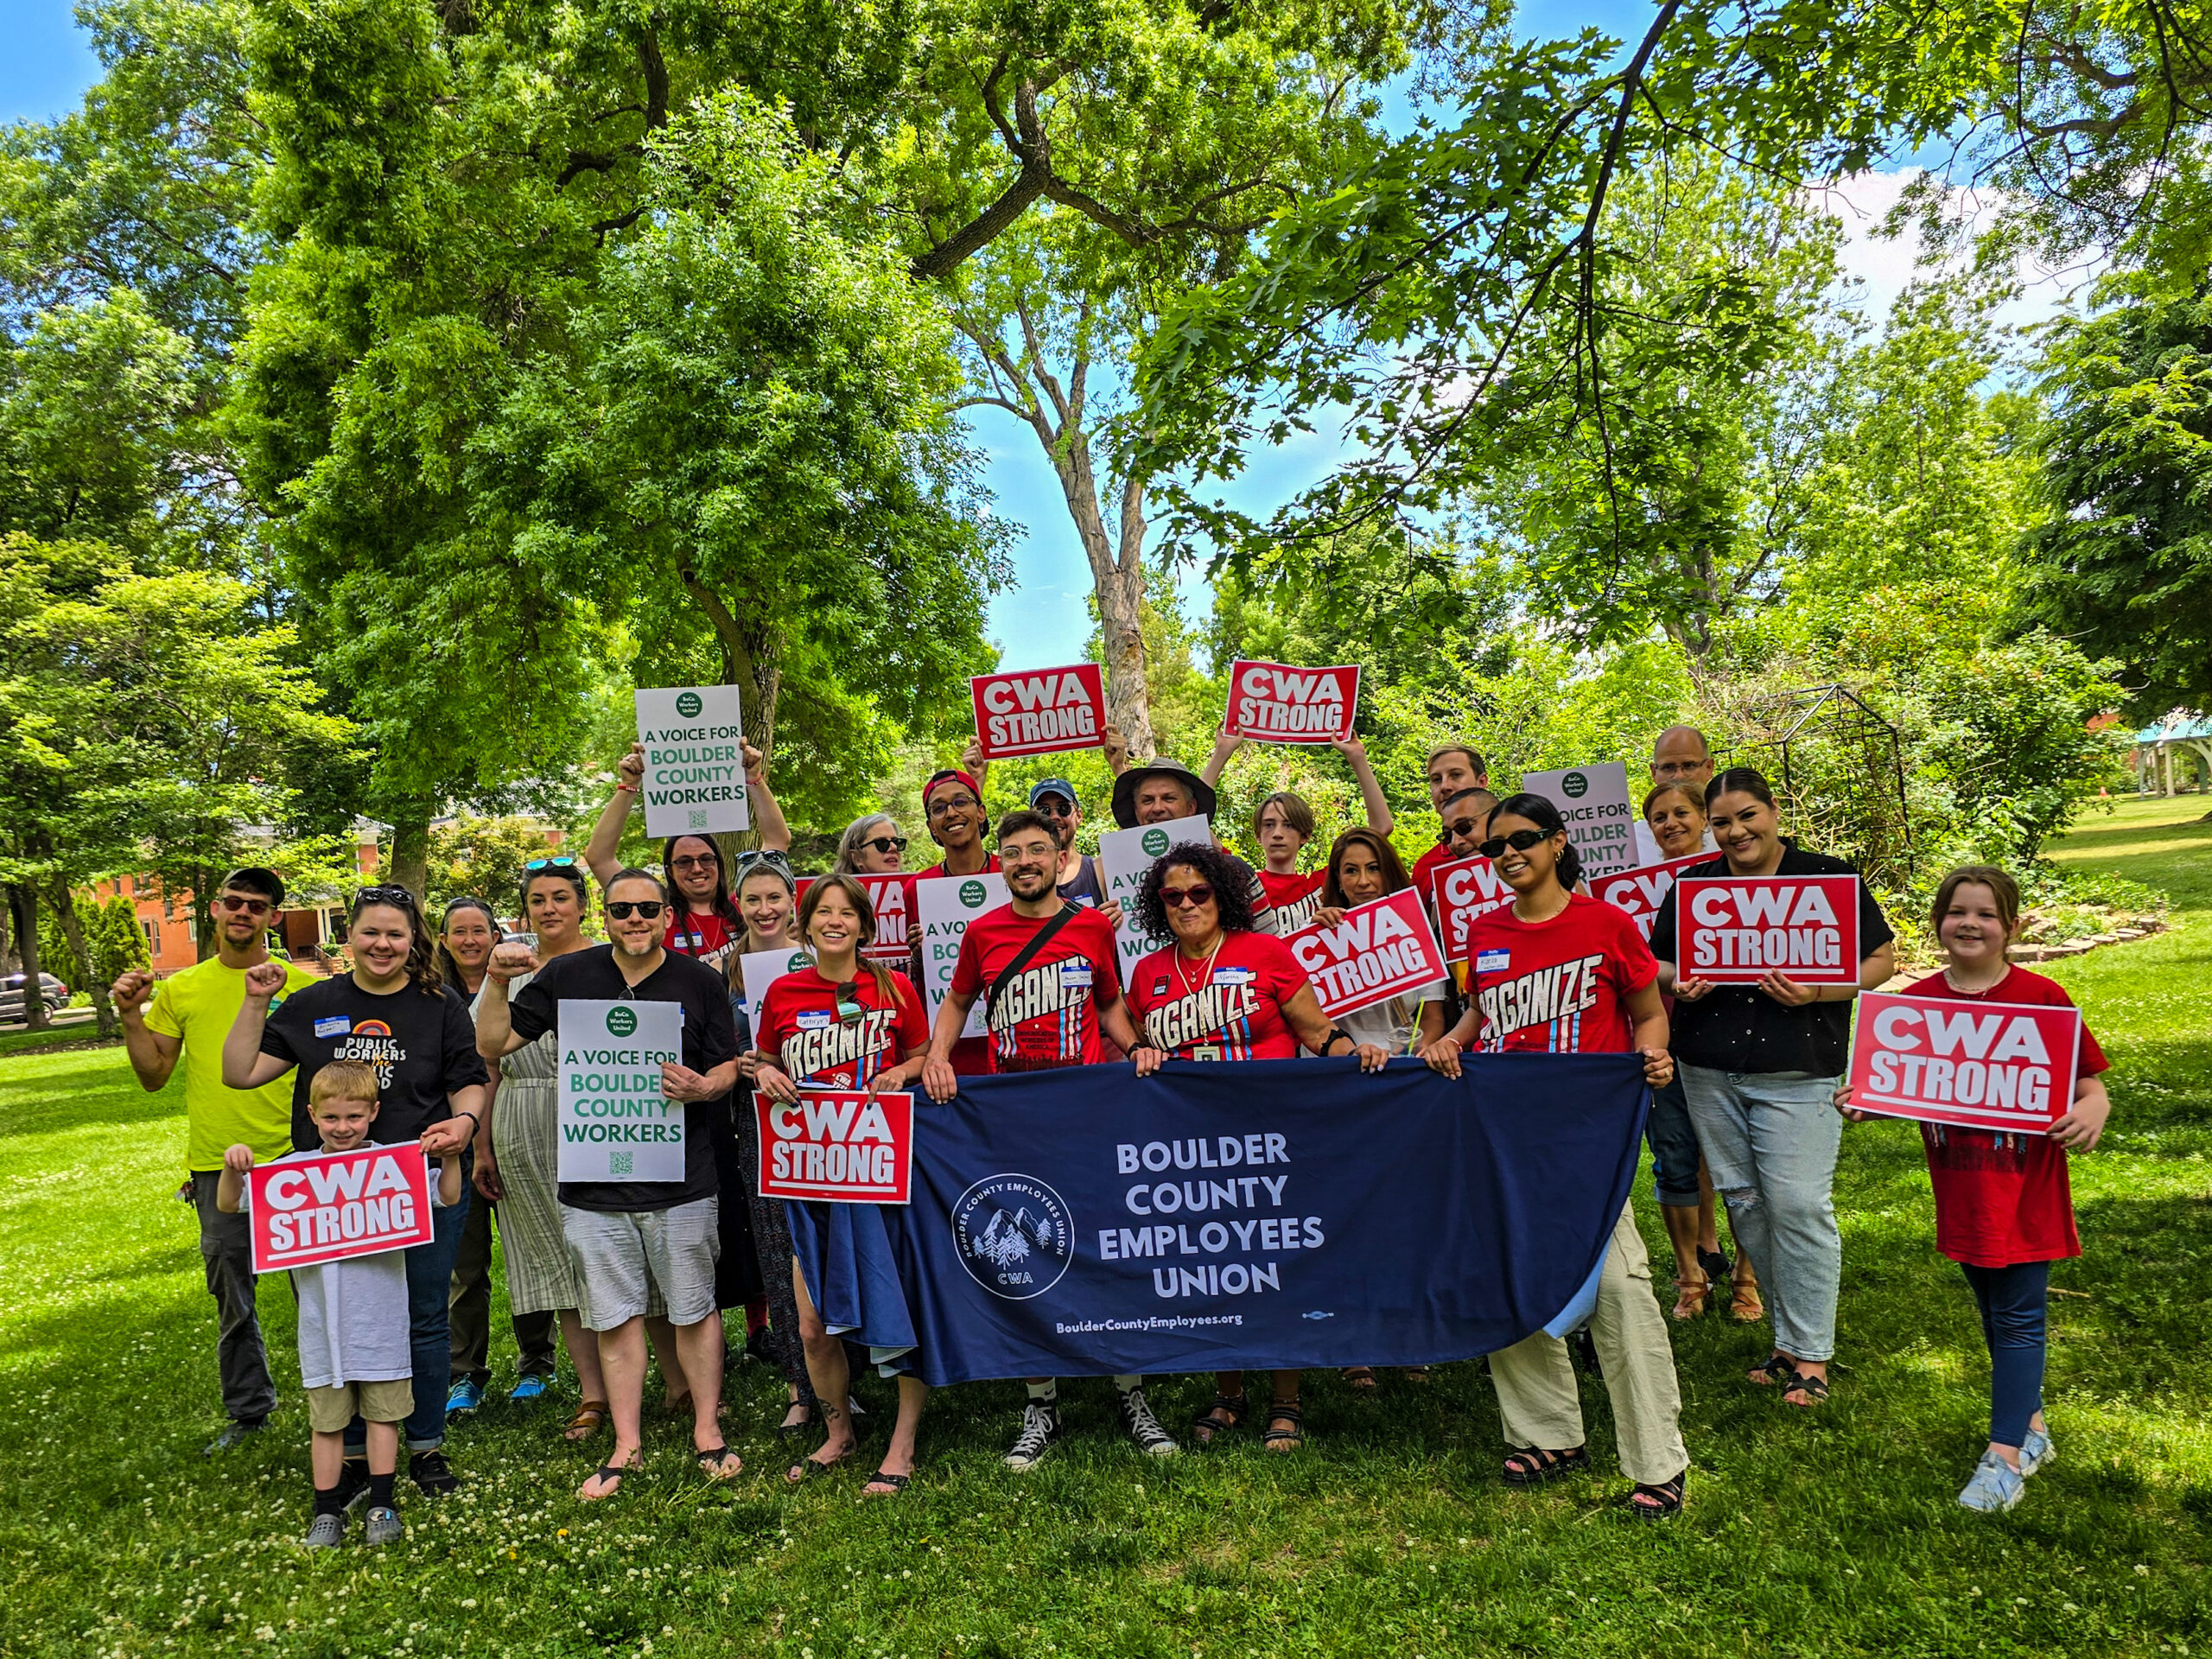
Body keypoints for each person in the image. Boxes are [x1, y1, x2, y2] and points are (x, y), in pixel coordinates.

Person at [1419, 793, 1692, 1518]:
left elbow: (1646, 1012)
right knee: (1510, 1274)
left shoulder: (1606, 924)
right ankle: (1548, 1435)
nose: (1509, 854)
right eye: (1495, 846)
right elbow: (1485, 1011)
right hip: (1504, 1136)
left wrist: (1654, 1055)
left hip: (1588, 1139)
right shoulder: (1486, 930)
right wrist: (1454, 1038)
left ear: (1559, 841)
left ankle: (1657, 1461)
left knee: (1621, 1287)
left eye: (1523, 839)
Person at [1834, 866, 2113, 1512]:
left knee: (2017, 1320)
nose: (1970, 923)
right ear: (1938, 922)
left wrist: (2093, 1108)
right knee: (1994, 1312)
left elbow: (2090, 1084)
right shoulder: (1917, 1003)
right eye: (1957, 911)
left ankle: (2005, 1458)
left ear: (2010, 927)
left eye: (1986, 914)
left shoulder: (2043, 997)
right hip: (1961, 1188)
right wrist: (1864, 1102)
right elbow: (1894, 1085)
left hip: (2027, 1191)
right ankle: (2032, 1428)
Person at [475, 869, 747, 1499]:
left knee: (693, 1307)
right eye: (622, 909)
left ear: (666, 917)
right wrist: (494, 980)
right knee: (614, 1314)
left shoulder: (697, 981)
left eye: (647, 909)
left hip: (682, 1177)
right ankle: (627, 1443)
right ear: (606, 914)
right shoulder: (566, 977)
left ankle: (708, 1428)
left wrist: (707, 1086)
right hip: (594, 1181)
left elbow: (731, 1060)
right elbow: (493, 1040)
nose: (635, 919)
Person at [922, 810, 1176, 1468]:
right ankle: (1042, 1403)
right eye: (1013, 852)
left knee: (1108, 1243)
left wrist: (1138, 1047)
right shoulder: (982, 933)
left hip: (1088, 1108)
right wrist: (937, 1056)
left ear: (1061, 855)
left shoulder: (1090, 926)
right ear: (1000, 863)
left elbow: (1110, 1001)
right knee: (1028, 1252)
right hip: (1014, 1117)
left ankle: (1132, 1389)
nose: (1025, 860)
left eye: (1038, 849)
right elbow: (955, 1001)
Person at [220, 886, 486, 1498]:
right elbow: (240, 1073)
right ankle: (360, 1452)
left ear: (414, 940)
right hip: (333, 1200)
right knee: (342, 1319)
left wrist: (464, 1125)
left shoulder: (439, 1004)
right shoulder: (314, 1004)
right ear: (350, 937)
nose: (383, 945)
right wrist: (256, 1002)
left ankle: (424, 1446)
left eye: (396, 934)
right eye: (371, 932)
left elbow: (469, 1082)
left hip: (412, 1187)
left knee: (422, 1317)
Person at [1122, 842, 1387, 1452]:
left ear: (1222, 895)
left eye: (1199, 893)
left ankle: (1287, 1399)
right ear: (1159, 906)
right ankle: (1229, 1390)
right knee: (1216, 1269)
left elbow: (1316, 1032)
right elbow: (1135, 1044)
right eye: (1173, 896)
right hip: (1192, 1149)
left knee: (1274, 1265)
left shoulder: (1266, 952)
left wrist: (1359, 1056)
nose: (1187, 904)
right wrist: (1142, 1051)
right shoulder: (1149, 972)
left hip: (1269, 1137)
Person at [1648, 766, 1897, 1410]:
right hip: (1709, 1069)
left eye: (1747, 816)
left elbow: (1881, 962)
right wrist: (1680, 980)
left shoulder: (1828, 877)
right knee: (1745, 1201)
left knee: (1799, 1205)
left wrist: (1820, 989)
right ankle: (1789, 1341)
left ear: (1773, 811)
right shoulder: (1693, 886)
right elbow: (1657, 961)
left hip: (1799, 1069)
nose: (1736, 832)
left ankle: (1811, 1354)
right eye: (1723, 822)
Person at [112, 867, 318, 1455]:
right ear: (214, 910)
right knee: (233, 1298)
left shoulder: (299, 988)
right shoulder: (183, 989)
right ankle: (249, 1411)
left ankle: (334, 1404)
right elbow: (154, 1076)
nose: (243, 913)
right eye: (233, 902)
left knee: (320, 1295)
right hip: (217, 1168)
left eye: (257, 906)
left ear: (274, 917)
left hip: (295, 1162)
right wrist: (131, 1014)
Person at [219, 1059, 464, 1548]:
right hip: (321, 1331)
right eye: (331, 1119)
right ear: (312, 1115)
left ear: (374, 1113)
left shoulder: (394, 1165)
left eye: (354, 1117)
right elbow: (232, 1203)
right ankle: (326, 1511)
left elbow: (447, 1195)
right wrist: (232, 1166)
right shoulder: (292, 1172)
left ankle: (381, 1503)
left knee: (382, 1418)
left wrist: (453, 1156)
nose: (343, 1128)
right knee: (327, 1424)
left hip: (382, 1326)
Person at [753, 874, 934, 1496]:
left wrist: (901, 1072)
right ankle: (838, 1431)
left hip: (882, 1171)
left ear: (864, 924)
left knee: (900, 1305)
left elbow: (923, 1055)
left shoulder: (894, 987)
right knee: (809, 1324)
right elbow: (768, 1061)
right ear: (804, 925)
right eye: (822, 912)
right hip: (813, 1173)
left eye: (846, 913)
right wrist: (767, 1074)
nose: (835, 921)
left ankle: (902, 1442)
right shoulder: (782, 992)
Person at [456, 866, 611, 1443]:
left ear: (582, 904)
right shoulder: (508, 971)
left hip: (600, 1116)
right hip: (523, 1117)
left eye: (561, 898)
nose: (550, 909)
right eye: (538, 900)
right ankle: (592, 1395)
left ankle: (656, 1380)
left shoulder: (607, 960)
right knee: (556, 1261)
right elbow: (486, 1061)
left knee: (616, 1252)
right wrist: (483, 1144)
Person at [1307, 827, 1449, 1392]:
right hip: (1342, 1089)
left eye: (1372, 869)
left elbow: (1435, 1022)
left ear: (1389, 873)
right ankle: (1354, 1340)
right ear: (1335, 879)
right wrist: (1321, 943)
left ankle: (1407, 1337)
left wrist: (1414, 1061)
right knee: (1349, 1215)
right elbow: (1311, 1020)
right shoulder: (1318, 940)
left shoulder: (1416, 934)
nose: (1363, 882)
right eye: (1350, 871)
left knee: (1406, 1217)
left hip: (1405, 1089)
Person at [1634, 784, 1761, 1324]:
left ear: (1704, 819)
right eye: (1659, 817)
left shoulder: (1735, 874)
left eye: (1681, 813)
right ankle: (1690, 1278)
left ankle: (1747, 1280)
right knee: (1674, 1156)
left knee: (1741, 1160)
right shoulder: (1625, 886)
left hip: (1727, 1035)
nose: (1671, 824)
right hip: (1656, 1038)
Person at [440, 895, 560, 1413]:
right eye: (458, 932)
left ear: (497, 935)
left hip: (511, 1132)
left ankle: (536, 1362)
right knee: (464, 1266)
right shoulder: (432, 996)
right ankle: (464, 1372)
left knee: (529, 1251)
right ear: (442, 940)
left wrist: (487, 1143)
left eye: (479, 930)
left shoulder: (527, 988)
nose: (469, 940)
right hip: (451, 1145)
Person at [717, 852, 820, 1439]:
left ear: (791, 902)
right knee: (778, 1251)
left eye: (774, 898)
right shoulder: (722, 972)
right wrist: (742, 1062)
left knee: (825, 1247)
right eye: (752, 899)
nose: (764, 909)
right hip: (760, 1126)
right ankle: (797, 1389)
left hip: (826, 1120)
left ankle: (846, 1376)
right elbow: (712, 1052)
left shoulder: (821, 957)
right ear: (739, 905)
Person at [582, 737, 792, 975]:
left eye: (706, 859)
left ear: (719, 863)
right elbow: (599, 857)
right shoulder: (655, 914)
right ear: (669, 870)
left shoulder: (748, 906)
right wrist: (629, 786)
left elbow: (777, 841)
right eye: (683, 862)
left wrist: (754, 779)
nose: (697, 868)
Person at [1202, 731, 1396, 933]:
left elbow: (1381, 828)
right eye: (1269, 825)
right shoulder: (1244, 882)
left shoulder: (1322, 884)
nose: (1277, 833)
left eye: (1288, 825)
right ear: (1257, 836)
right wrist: (1221, 753)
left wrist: (1357, 757)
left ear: (1305, 835)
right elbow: (1192, 826)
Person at [1100, 743, 1282, 935]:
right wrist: (1101, 927)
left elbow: (1273, 946)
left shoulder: (1235, 872)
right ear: (1137, 811)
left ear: (1191, 807)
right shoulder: (1111, 880)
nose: (1158, 808)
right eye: (1147, 801)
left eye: (1169, 798)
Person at [912, 767, 1001, 1077]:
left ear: (980, 813)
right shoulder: (918, 889)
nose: (951, 813)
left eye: (960, 802)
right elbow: (922, 980)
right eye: (939, 808)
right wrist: (918, 953)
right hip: (955, 1051)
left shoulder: (1013, 871)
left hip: (1013, 1038)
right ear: (931, 828)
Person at [1408, 741, 1491, 893]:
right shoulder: (1425, 868)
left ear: (1481, 782)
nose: (1445, 786)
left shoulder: (1522, 844)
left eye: (1456, 775)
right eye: (1436, 779)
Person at [1637, 726, 1720, 865]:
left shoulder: (1736, 832)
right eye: (1668, 767)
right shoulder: (1633, 842)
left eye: (1689, 766)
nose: (1679, 776)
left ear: (1709, 768)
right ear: (1654, 772)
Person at [1025, 778, 1106, 905]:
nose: (1054, 816)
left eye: (1063, 808)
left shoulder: (1100, 870)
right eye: (1043, 811)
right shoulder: (1023, 878)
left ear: (1078, 816)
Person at [835, 813, 909, 874]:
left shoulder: (914, 890)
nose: (894, 847)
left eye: (896, 842)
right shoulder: (836, 892)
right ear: (857, 858)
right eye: (881, 843)